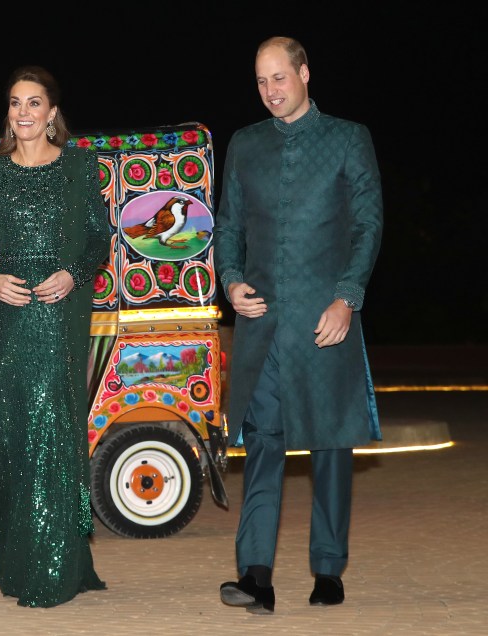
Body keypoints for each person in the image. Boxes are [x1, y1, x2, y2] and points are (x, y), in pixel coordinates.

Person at [214, 36, 383, 614]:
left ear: (305, 73)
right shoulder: (245, 144)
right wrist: (232, 281)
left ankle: (328, 569)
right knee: (263, 445)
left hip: (325, 323)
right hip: (263, 330)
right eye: (261, 81)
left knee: (331, 444)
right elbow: (227, 228)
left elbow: (368, 224)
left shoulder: (347, 138)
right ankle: (256, 575)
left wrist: (346, 298)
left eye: (279, 78)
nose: (270, 91)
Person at [0, 65, 109, 607]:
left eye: (33, 103)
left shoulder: (79, 166)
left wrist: (73, 273)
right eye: (15, 103)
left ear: (52, 113)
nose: (22, 112)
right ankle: (20, 557)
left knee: (50, 424)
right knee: (11, 433)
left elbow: (98, 238)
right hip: (12, 313)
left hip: (60, 308)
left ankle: (53, 569)